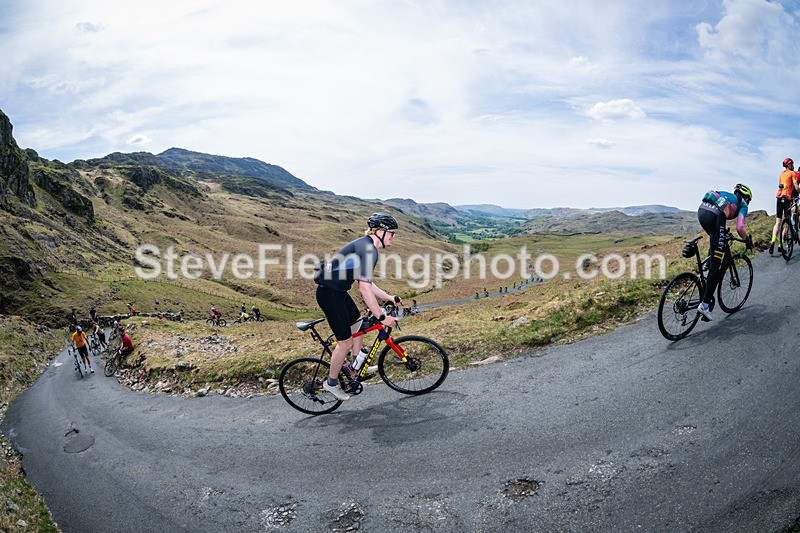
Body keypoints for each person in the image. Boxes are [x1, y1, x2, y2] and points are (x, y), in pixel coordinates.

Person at [314, 212, 402, 400]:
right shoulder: (369, 250)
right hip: (329, 294)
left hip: (338, 291)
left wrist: (388, 297)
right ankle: (331, 383)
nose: (393, 237)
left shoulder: (365, 246)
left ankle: (355, 366)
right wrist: (381, 316)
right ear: (380, 231)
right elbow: (364, 289)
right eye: (392, 233)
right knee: (345, 342)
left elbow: (366, 282)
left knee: (358, 324)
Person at [696, 184, 753, 321]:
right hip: (715, 215)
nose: (747, 203)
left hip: (702, 210)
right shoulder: (743, 204)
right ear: (746, 197)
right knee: (717, 262)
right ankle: (704, 305)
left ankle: (705, 272)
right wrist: (747, 240)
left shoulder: (727, 195)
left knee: (715, 241)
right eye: (748, 200)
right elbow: (740, 227)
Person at [769, 158, 798, 255]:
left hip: (778, 198)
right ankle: (781, 245)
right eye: (792, 164)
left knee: (778, 222)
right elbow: (796, 186)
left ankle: (772, 242)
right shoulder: (792, 173)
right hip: (786, 199)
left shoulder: (781, 173)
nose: (793, 165)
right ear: (789, 165)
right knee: (787, 222)